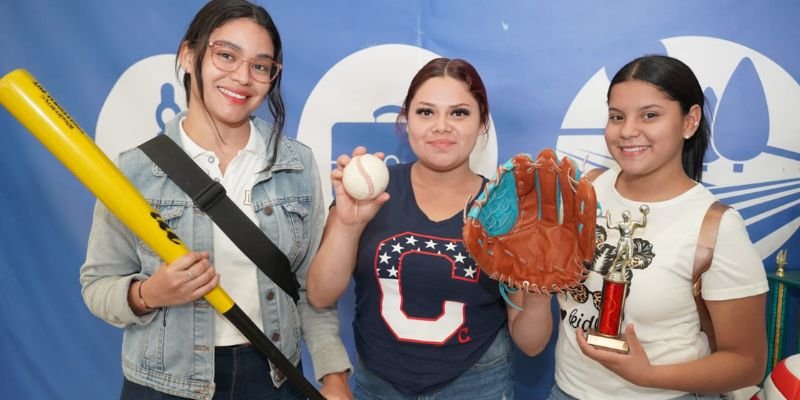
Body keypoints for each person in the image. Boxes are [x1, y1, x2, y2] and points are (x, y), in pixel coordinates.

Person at [79, 1, 352, 399]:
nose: (242, 77)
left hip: (274, 379)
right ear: (188, 55)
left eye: (261, 66)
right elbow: (97, 285)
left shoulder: (295, 163)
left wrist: (334, 375)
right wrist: (149, 293)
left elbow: (312, 289)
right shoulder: (134, 170)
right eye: (226, 55)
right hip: (165, 384)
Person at [307, 57, 553, 399]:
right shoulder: (370, 193)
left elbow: (531, 344)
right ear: (406, 120)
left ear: (482, 123)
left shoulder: (504, 210)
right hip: (378, 385)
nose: (441, 126)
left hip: (477, 385)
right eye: (426, 112)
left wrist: (540, 294)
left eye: (459, 113)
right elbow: (319, 295)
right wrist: (349, 225)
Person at [547, 55, 768, 399]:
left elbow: (748, 363)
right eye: (617, 116)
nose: (627, 131)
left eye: (650, 115)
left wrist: (649, 376)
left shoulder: (716, 226)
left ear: (689, 121)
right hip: (566, 391)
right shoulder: (586, 191)